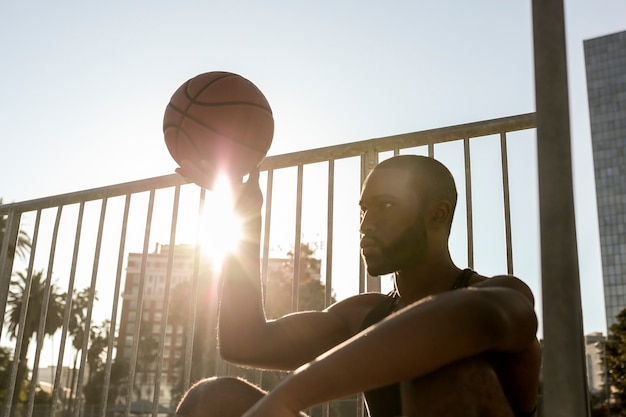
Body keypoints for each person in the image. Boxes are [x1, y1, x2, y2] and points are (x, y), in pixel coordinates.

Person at [174, 155, 541, 417]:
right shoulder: (362, 314)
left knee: (449, 368)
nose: (365, 224)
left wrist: (287, 398)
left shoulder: (500, 292)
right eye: (363, 210)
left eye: (385, 206)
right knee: (212, 399)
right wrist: (244, 218)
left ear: (438, 213)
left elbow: (471, 317)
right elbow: (244, 341)